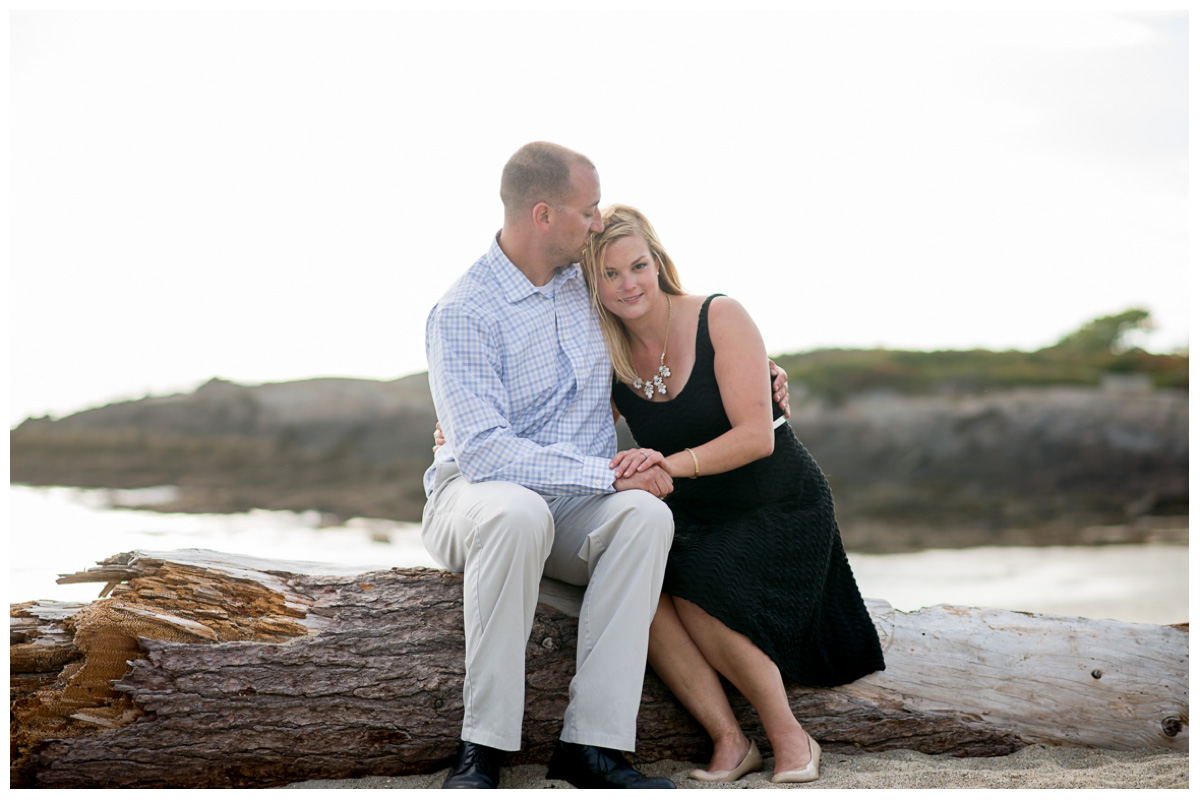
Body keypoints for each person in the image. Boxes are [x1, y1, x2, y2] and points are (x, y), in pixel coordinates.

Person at [579, 205, 886, 784]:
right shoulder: (608, 354)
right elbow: (561, 422)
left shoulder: (719, 316)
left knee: (698, 578)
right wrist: (461, 430)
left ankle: (790, 736)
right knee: (635, 582)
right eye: (610, 274)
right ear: (592, 285)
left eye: (637, 265)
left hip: (778, 503)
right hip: (696, 511)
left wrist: (663, 464)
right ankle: (730, 740)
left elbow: (755, 438)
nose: (628, 284)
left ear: (658, 262)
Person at [421, 142, 682, 790]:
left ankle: (592, 748)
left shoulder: (586, 283)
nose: (597, 222)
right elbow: (484, 452)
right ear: (544, 215)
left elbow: (664, 310)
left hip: (569, 503)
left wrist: (750, 363)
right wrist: (608, 474)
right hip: (477, 496)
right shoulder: (463, 311)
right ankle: (482, 750)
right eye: (587, 210)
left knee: (645, 518)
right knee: (516, 511)